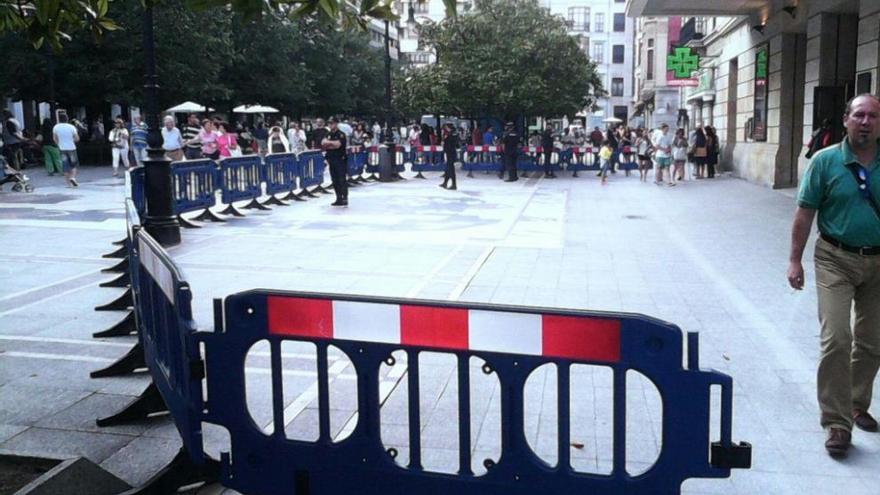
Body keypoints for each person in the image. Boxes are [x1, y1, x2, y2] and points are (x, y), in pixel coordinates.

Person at [787, 93, 880, 458]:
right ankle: (837, 422)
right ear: (846, 120)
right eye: (859, 115)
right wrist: (794, 260)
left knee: (872, 342)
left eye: (873, 116)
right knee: (837, 338)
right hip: (834, 258)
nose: (866, 122)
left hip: (878, 262)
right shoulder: (825, 162)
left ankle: (857, 404)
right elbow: (804, 213)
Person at [323, 117, 348, 206]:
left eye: (332, 123)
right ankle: (338, 198)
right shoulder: (328, 134)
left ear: (336, 124)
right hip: (331, 159)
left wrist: (329, 143)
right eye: (329, 123)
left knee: (341, 179)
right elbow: (323, 143)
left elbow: (338, 145)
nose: (330, 125)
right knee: (334, 180)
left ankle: (344, 198)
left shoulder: (341, 134)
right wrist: (331, 144)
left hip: (340, 159)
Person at [53, 112, 80, 187]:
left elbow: (55, 138)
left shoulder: (56, 127)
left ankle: (68, 184)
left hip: (62, 149)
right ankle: (73, 177)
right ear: (67, 119)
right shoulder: (71, 127)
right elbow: (77, 138)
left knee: (65, 166)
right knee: (74, 165)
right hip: (72, 148)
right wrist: (72, 141)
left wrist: (59, 144)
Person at [440, 123, 459, 190]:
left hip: (451, 153)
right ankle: (445, 183)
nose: (445, 128)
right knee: (448, 169)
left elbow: (451, 143)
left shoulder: (452, 134)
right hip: (449, 153)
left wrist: (445, 140)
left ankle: (454, 185)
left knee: (451, 169)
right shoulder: (451, 133)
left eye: (446, 127)